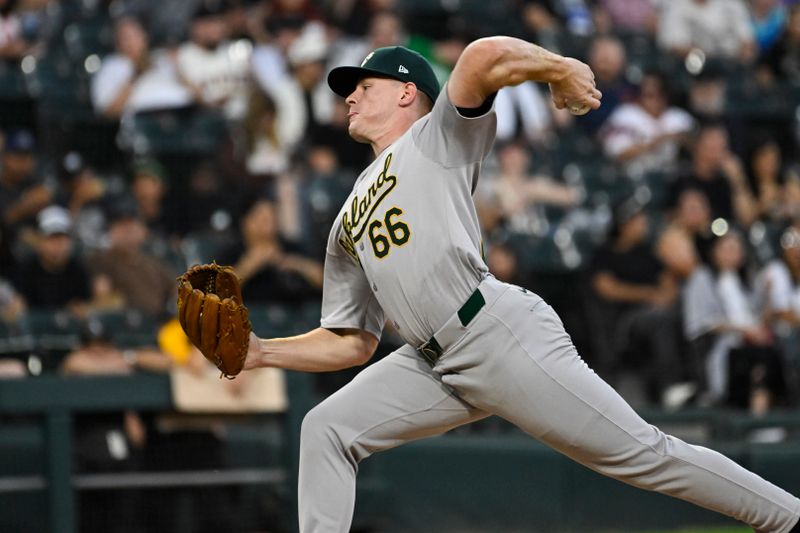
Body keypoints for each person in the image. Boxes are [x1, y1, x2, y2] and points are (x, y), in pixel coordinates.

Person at [239, 41, 800, 532]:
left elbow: (482, 57)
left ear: (408, 93)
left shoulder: (437, 139)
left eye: (364, 85)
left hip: (493, 330)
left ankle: (786, 518)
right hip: (431, 363)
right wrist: (262, 352)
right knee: (326, 429)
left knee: (642, 454)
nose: (350, 98)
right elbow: (352, 340)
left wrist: (560, 69)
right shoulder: (345, 217)